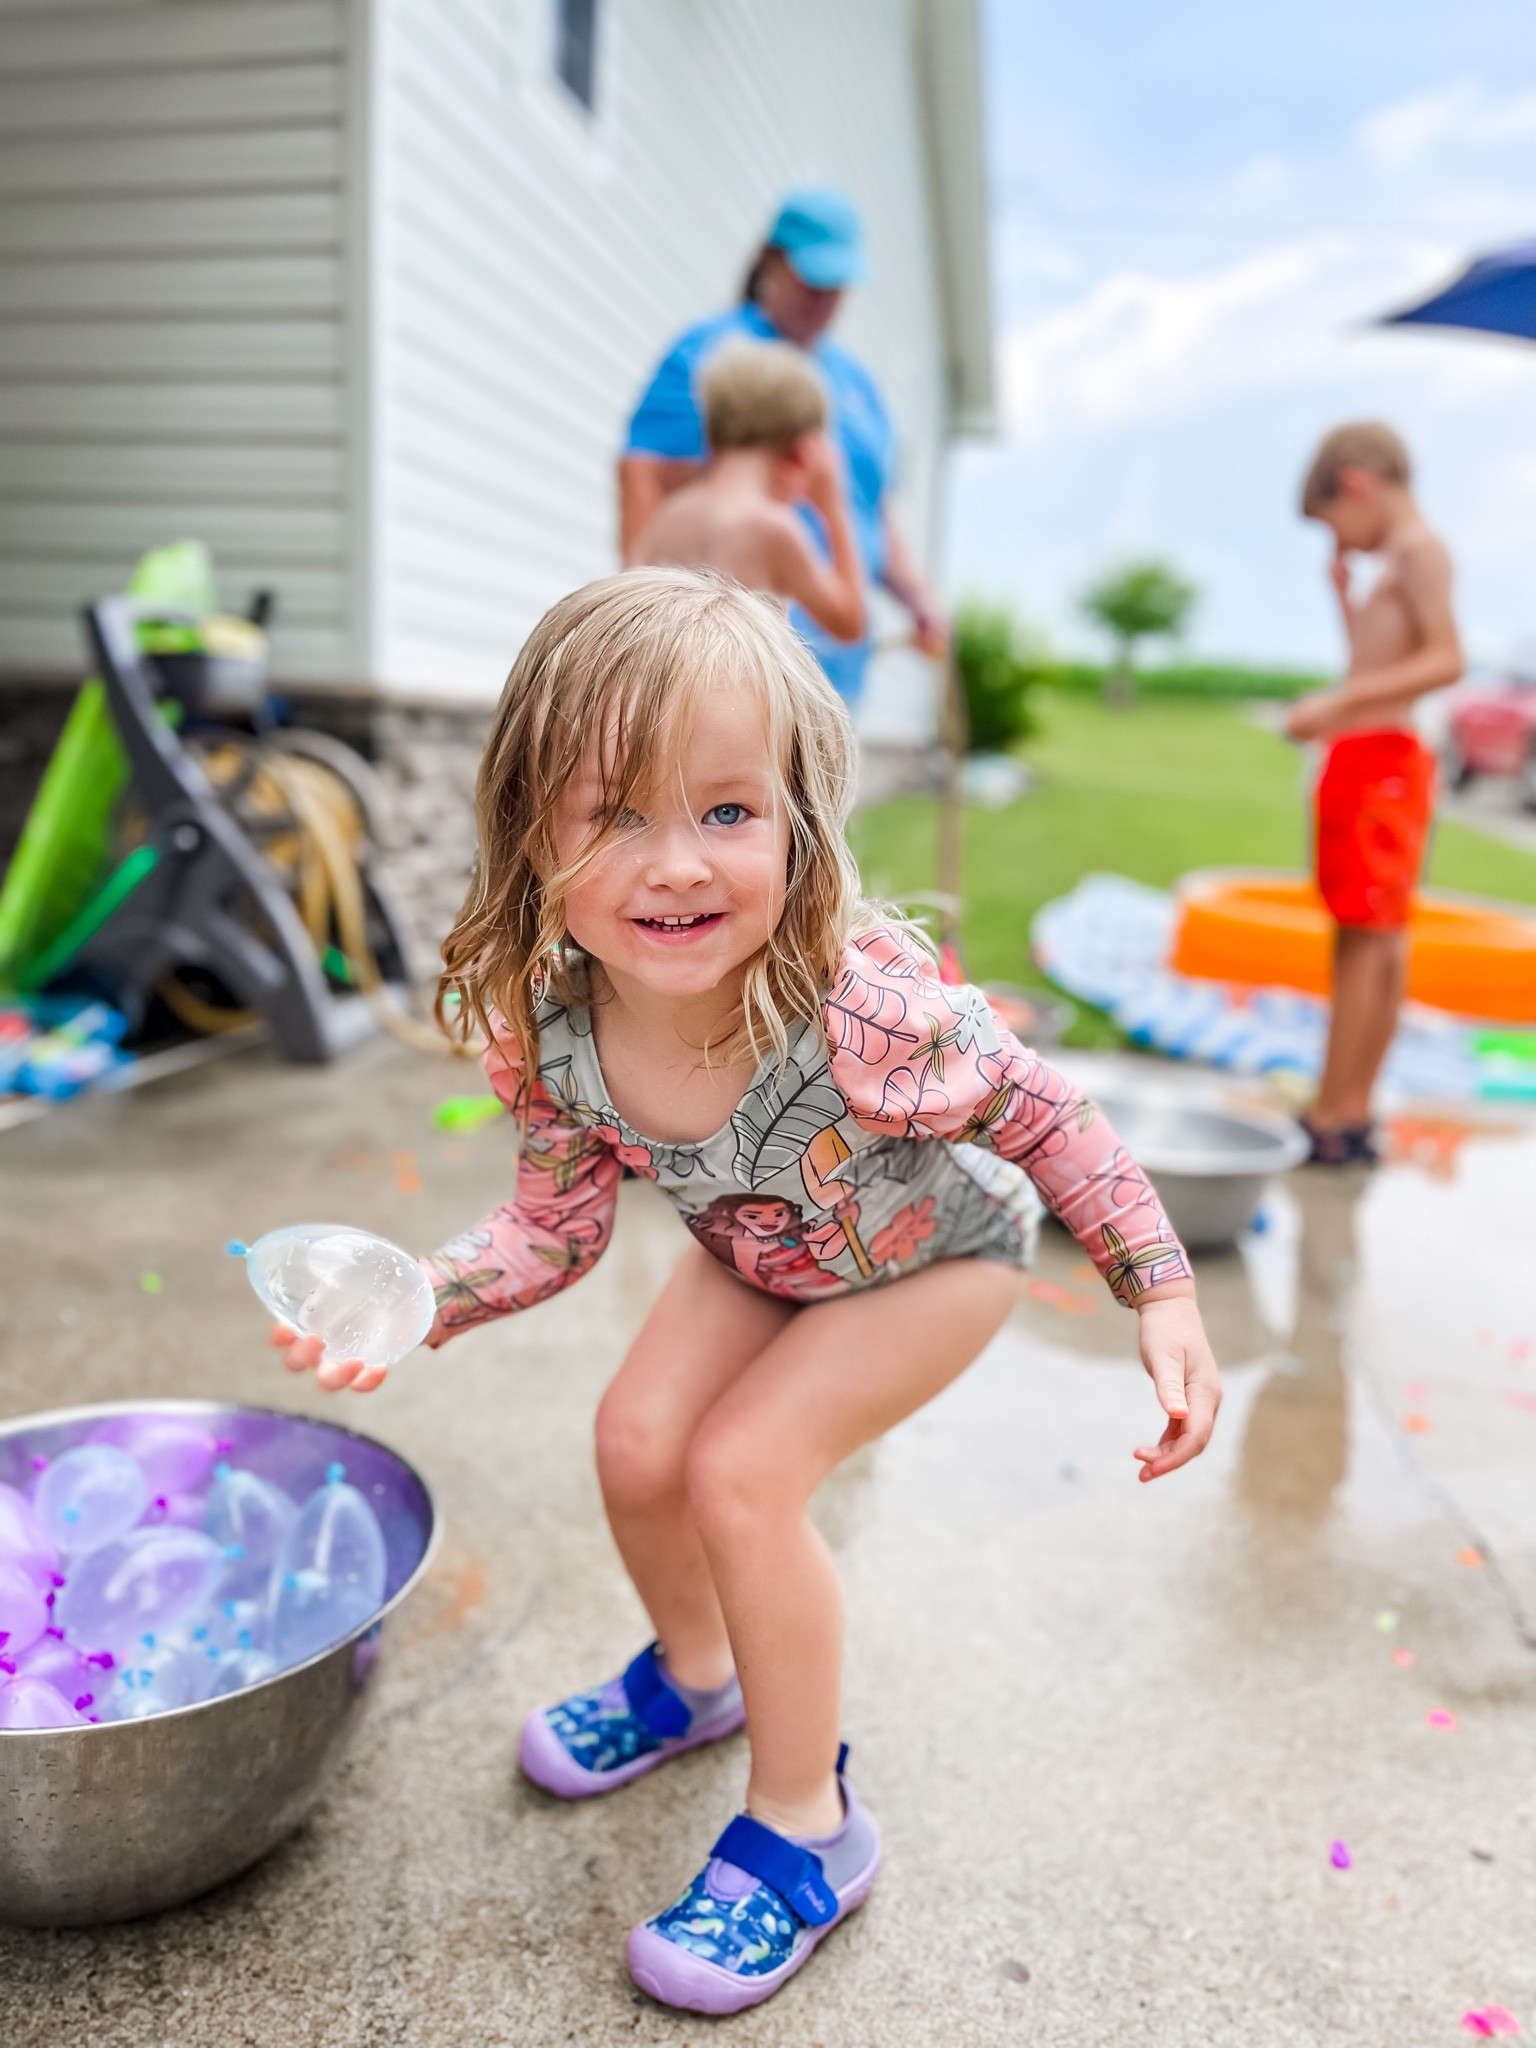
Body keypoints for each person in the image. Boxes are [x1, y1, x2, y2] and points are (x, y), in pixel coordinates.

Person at [274, 570, 1222, 2015]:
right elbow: (551, 1231)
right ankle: (702, 1675)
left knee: (738, 1472)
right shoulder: (557, 1033)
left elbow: (1050, 1118)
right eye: (615, 814)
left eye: (728, 812)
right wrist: (421, 1291)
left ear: (800, 824)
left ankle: (808, 1829)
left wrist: (1159, 1290)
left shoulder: (863, 1007)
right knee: (635, 1441)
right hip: (763, 1256)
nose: (677, 865)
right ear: (534, 833)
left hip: (935, 1261)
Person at [619, 186, 946, 704]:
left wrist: (919, 600)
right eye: (814, 278)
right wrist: (644, 626)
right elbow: (643, 471)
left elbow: (877, 513)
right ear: (771, 262)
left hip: (827, 682)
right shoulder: (710, 353)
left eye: (839, 283)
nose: (826, 298)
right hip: (739, 679)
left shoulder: (858, 384)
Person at [1287, 422, 1465, 1164]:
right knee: (1369, 929)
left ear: (1357, 483)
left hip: (1382, 756)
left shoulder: (1419, 551)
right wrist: (1343, 598)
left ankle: (1336, 1111)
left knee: (1365, 937)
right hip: (1371, 752)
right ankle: (1347, 1108)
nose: (1346, 546)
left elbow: (1447, 659)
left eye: (1338, 526)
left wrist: (1336, 703)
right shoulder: (1392, 558)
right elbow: (1382, 651)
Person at [631, 341, 866, 643]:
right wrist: (834, 507)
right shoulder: (775, 529)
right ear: (801, 451)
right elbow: (849, 623)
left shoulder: (667, 517)